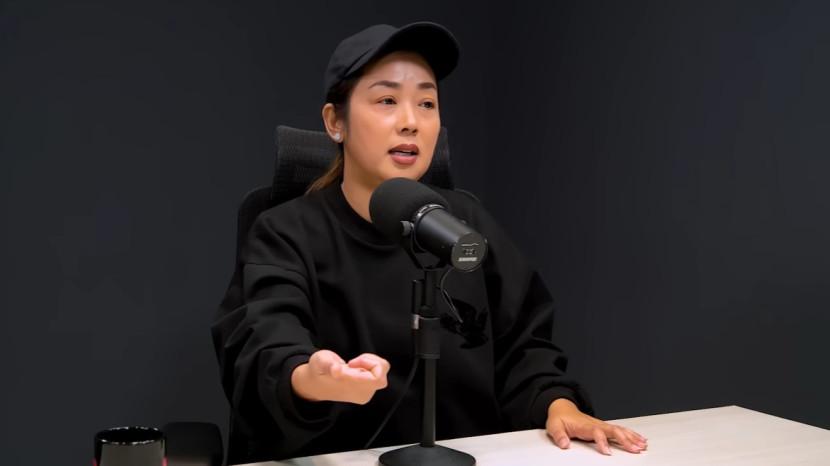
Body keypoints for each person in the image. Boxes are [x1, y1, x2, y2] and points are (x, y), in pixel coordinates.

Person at [212, 22, 648, 463]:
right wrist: (310, 379)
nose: (411, 122)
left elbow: (525, 347)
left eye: (426, 103)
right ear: (335, 122)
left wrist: (558, 405)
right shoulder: (285, 231)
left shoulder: (466, 221)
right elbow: (263, 347)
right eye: (387, 101)